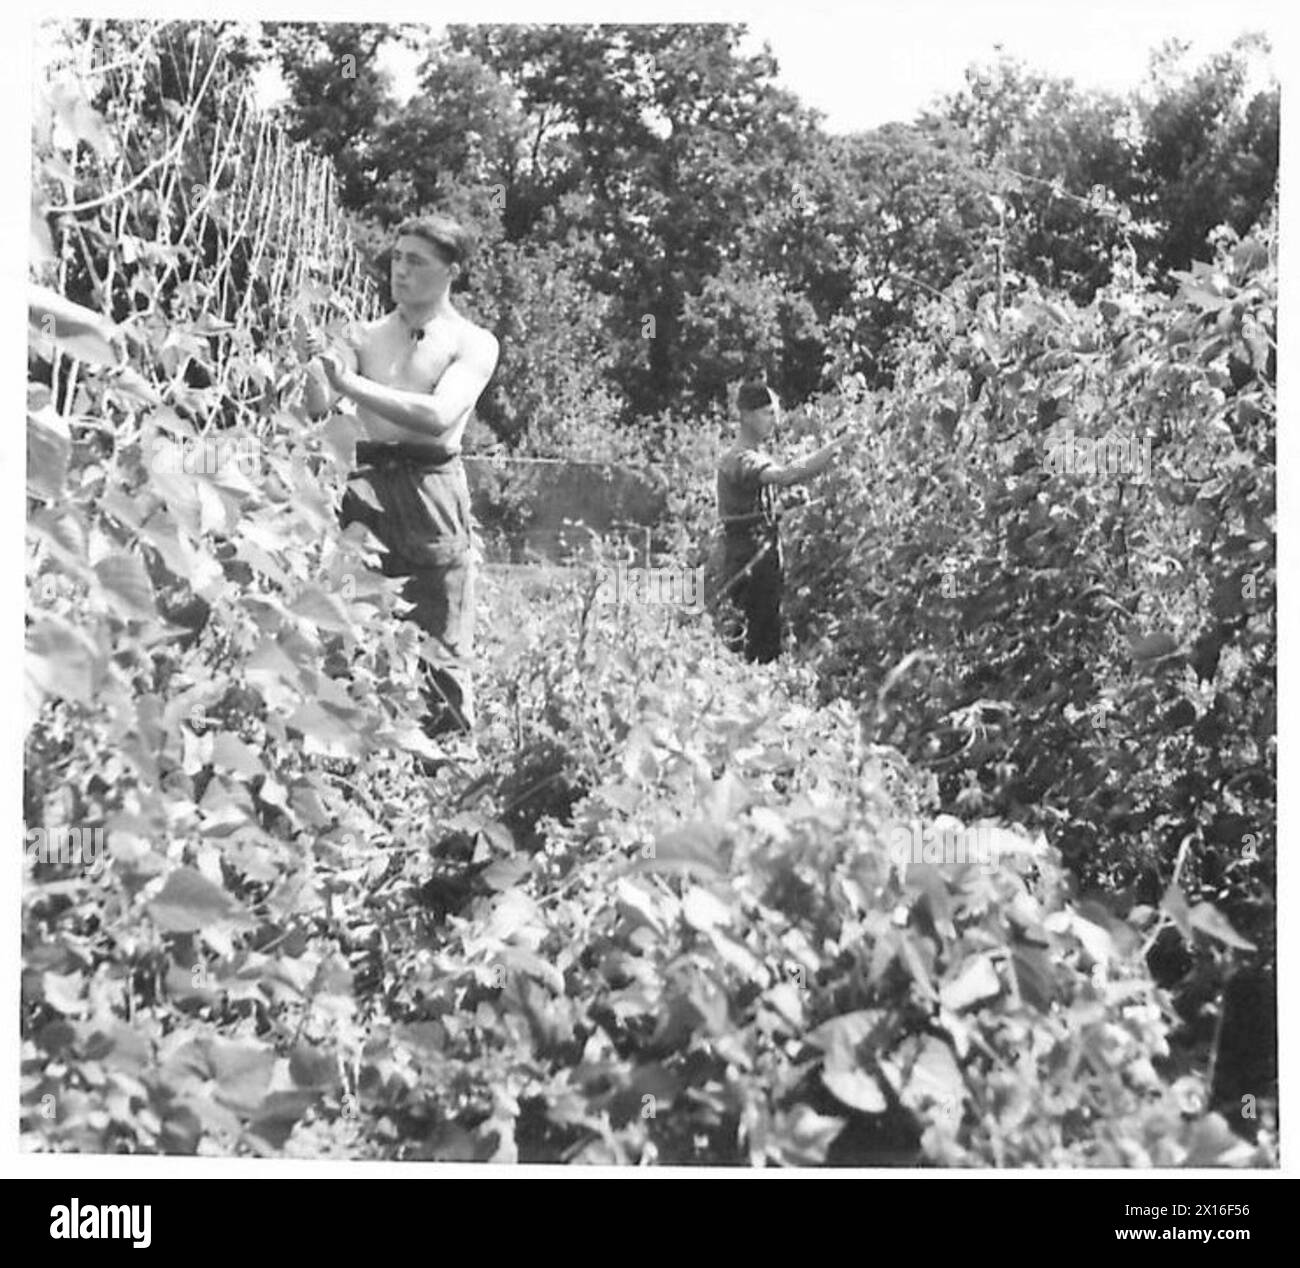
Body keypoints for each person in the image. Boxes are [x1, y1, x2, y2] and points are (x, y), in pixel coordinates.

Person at [300, 214, 500, 738]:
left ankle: (449, 764)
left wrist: (351, 385)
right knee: (345, 622)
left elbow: (439, 415)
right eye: (397, 258)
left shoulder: (473, 342)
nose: (400, 270)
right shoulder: (362, 335)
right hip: (364, 487)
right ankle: (348, 754)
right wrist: (315, 362)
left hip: (430, 488)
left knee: (441, 635)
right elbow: (315, 403)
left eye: (417, 261)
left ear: (451, 272)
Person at [716, 380, 846, 663]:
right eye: (767, 413)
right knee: (750, 644)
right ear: (747, 415)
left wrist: (783, 505)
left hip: (761, 561)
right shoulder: (739, 459)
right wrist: (833, 449)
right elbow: (786, 475)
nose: (774, 420)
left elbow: (758, 506)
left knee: (764, 639)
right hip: (748, 564)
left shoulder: (752, 457)